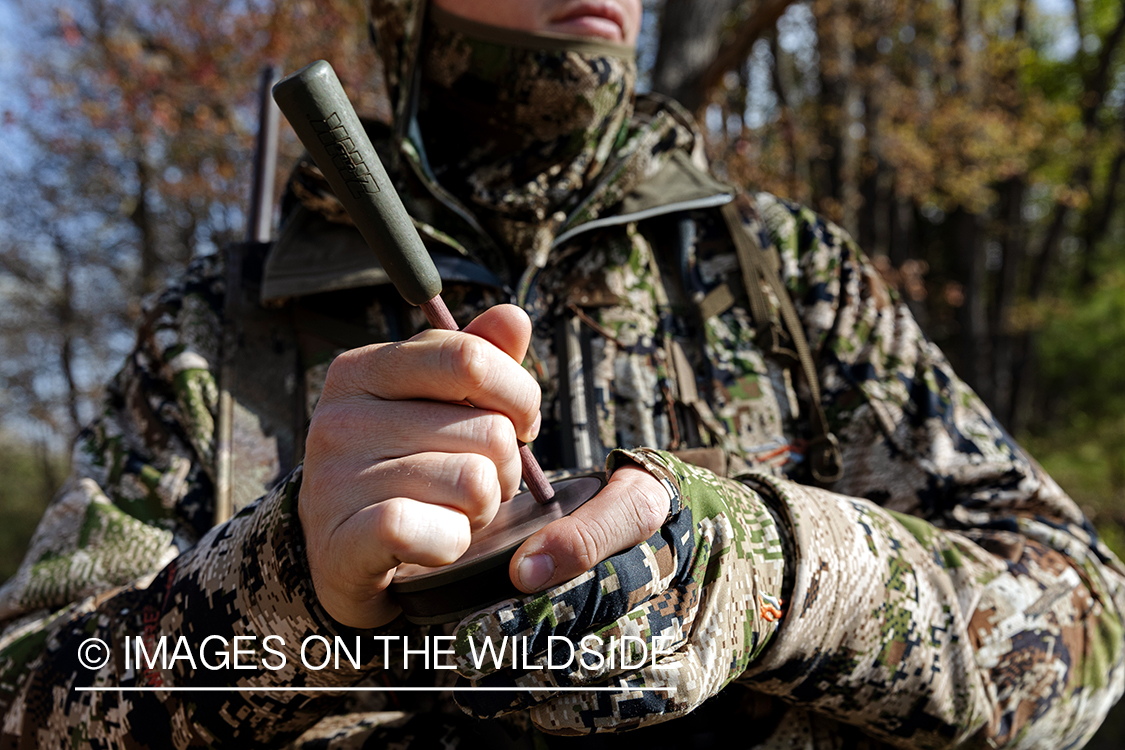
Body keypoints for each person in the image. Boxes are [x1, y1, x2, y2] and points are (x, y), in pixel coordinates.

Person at [1, 0, 1122, 747]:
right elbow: (29, 699)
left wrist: (774, 570)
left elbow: (1086, 626)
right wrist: (293, 585)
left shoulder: (789, 276)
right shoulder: (216, 327)